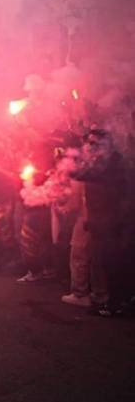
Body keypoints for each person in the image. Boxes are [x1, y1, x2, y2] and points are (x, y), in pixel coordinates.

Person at [71, 129, 129, 317]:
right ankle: (113, 301)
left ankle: (115, 304)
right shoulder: (104, 161)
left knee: (113, 263)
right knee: (106, 263)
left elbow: (83, 175)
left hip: (112, 221)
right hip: (103, 220)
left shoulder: (110, 163)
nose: (89, 147)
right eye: (89, 143)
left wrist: (67, 164)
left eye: (94, 144)